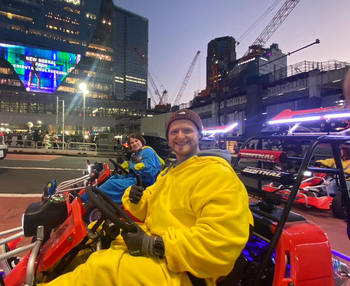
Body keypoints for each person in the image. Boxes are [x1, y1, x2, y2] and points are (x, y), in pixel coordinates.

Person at [43, 109, 253, 286]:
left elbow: (220, 243)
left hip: (186, 271)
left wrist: (154, 244)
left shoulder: (218, 175)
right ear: (169, 138)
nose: (180, 136)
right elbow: (146, 206)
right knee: (88, 247)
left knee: (98, 271)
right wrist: (135, 199)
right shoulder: (172, 172)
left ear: (200, 135)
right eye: (174, 131)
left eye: (187, 130)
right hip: (160, 252)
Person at [80, 133, 163, 203]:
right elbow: (133, 166)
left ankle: (89, 199)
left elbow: (151, 171)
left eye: (136, 141)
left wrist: (139, 166)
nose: (134, 143)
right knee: (113, 178)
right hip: (133, 178)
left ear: (141, 141)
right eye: (132, 142)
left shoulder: (147, 151)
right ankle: (89, 197)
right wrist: (125, 165)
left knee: (111, 184)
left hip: (140, 182)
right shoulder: (137, 153)